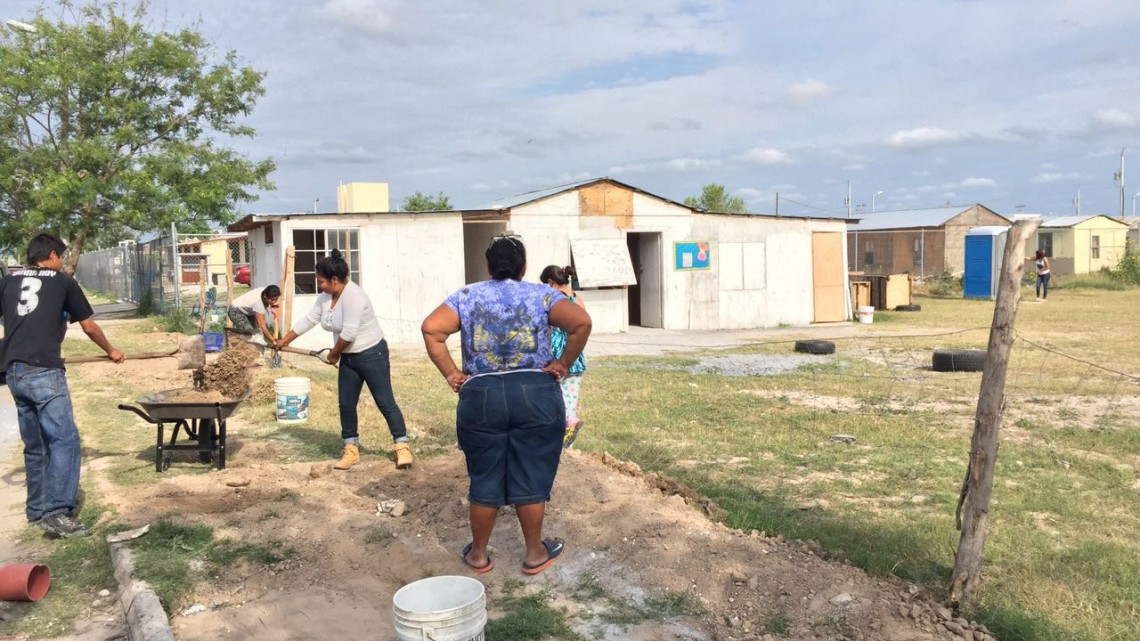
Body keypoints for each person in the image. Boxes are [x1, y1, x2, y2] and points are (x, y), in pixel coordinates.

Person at [422, 236, 591, 575]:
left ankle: (479, 556)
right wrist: (562, 363)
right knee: (532, 470)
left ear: (488, 266)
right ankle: (534, 553)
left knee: (484, 476)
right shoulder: (542, 295)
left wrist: (452, 373)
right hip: (535, 392)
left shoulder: (468, 296)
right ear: (524, 266)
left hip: (481, 395)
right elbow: (580, 323)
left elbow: (431, 329)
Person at [1, 233, 125, 538]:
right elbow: (88, 325)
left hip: (15, 372)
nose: (63, 261)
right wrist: (112, 351)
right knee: (65, 441)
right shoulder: (63, 281)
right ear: (53, 256)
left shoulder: (7, 281)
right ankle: (58, 514)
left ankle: (37, 510)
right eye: (62, 256)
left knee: (36, 445)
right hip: (44, 371)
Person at [276, 249, 413, 470]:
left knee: (385, 402)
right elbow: (308, 320)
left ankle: (402, 447)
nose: (319, 286)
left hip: (372, 354)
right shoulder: (325, 298)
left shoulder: (354, 297)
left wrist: (333, 353)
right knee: (346, 405)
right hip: (349, 357)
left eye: (321, 282)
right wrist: (284, 340)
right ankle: (350, 450)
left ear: (334, 280)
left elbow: (348, 334)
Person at [539, 265, 588, 449]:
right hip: (575, 355)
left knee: (550, 398)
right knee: (570, 399)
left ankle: (552, 437)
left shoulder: (553, 300)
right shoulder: (578, 299)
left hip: (555, 354)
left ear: (551, 283)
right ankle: (569, 433)